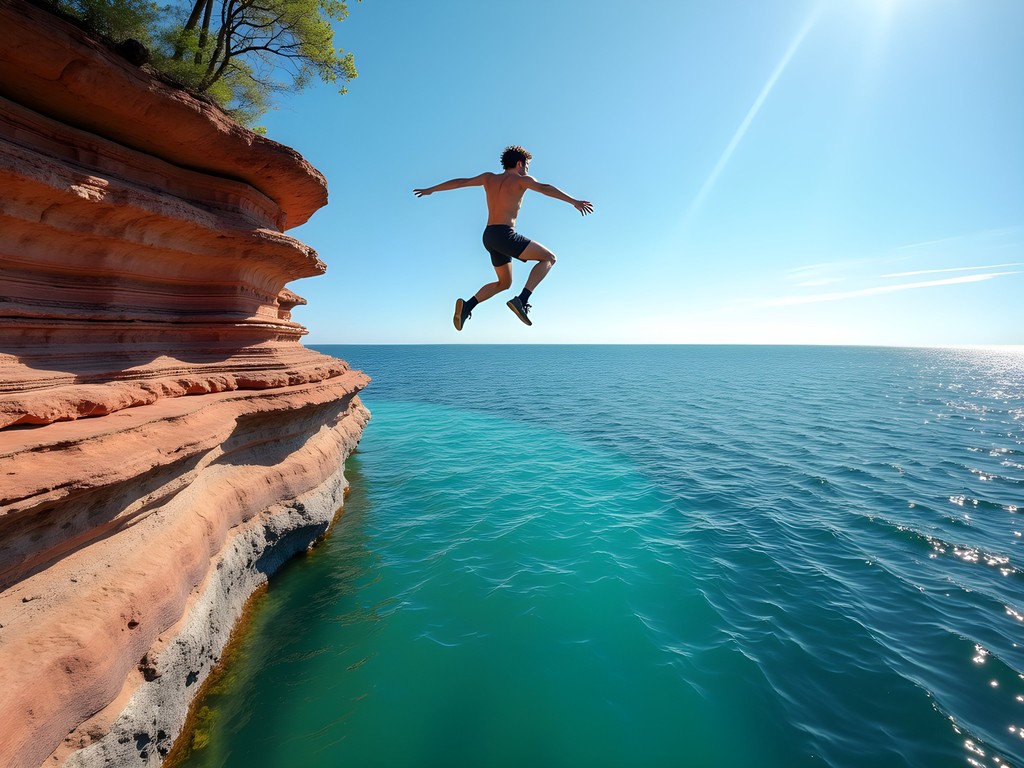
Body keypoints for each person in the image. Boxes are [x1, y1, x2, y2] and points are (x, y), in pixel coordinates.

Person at [414, 145, 593, 330]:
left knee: (504, 283)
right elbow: (544, 188)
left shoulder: (488, 178)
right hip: (505, 235)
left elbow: (460, 182)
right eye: (527, 166)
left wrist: (431, 189)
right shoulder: (522, 180)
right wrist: (574, 202)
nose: (527, 171)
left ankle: (467, 306)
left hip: (489, 236)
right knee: (549, 258)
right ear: (519, 163)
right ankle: (521, 300)